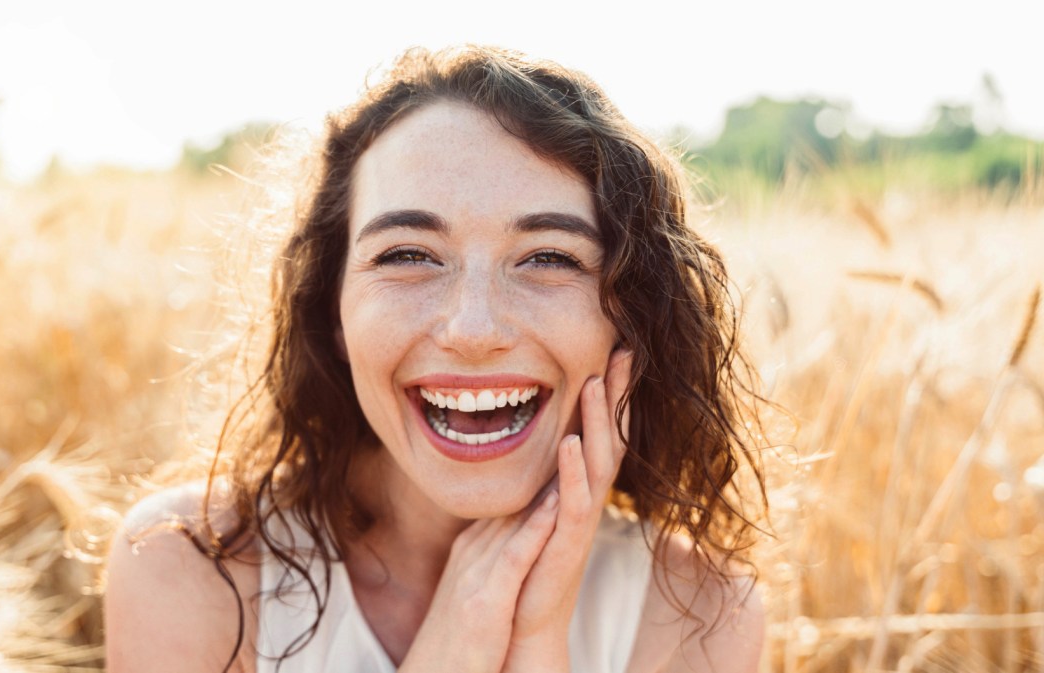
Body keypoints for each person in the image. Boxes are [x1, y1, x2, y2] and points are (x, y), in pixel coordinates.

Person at [104, 45, 767, 673]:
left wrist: (535, 644)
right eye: (407, 255)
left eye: (549, 257)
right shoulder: (192, 565)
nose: (473, 329)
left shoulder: (697, 611)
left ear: (631, 318)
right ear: (332, 313)